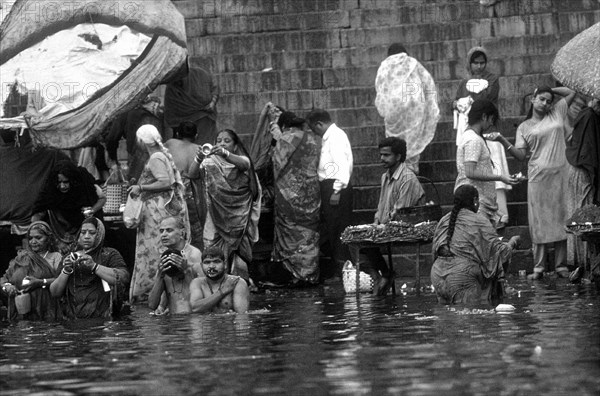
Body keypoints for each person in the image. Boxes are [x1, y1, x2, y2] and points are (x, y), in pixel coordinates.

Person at [491, 86, 576, 280]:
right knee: (538, 221)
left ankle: (560, 266)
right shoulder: (524, 127)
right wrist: (503, 141)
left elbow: (571, 92)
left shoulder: (557, 112)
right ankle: (538, 267)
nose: (545, 103)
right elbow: (521, 155)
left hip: (561, 175)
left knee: (561, 218)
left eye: (548, 100)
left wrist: (549, 88)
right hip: (538, 178)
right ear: (533, 99)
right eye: (541, 99)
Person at [188, 128, 261, 283]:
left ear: (235, 145)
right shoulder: (210, 162)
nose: (222, 143)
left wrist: (224, 153)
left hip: (238, 219)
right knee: (211, 246)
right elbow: (192, 175)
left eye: (227, 141)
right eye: (219, 141)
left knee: (238, 254)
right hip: (214, 216)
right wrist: (199, 158)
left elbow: (245, 165)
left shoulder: (241, 160)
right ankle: (215, 284)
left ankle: (239, 284)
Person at [128, 125, 190, 303]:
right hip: (160, 209)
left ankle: (149, 293)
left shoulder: (155, 157)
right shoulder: (162, 155)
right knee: (160, 247)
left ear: (141, 141)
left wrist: (141, 187)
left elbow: (165, 182)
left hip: (156, 212)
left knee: (153, 250)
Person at [430, 185, 520, 304]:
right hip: (462, 277)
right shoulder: (479, 220)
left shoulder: (443, 220)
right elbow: (500, 253)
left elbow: (434, 251)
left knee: (446, 318)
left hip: (437, 274)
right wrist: (513, 242)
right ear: (475, 201)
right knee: (472, 320)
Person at [454, 46, 512, 229]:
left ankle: (502, 214)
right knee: (480, 173)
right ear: (470, 64)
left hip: (490, 130)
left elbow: (485, 99)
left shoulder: (492, 79)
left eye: (482, 62)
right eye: (475, 63)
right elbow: (456, 101)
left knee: (496, 169)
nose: (479, 66)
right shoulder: (464, 82)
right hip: (473, 130)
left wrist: (472, 95)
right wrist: (457, 103)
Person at [361, 137, 426, 295]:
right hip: (386, 225)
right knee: (352, 239)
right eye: (381, 155)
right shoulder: (385, 176)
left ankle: (386, 276)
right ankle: (380, 276)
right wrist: (375, 223)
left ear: (398, 156)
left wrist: (380, 227)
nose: (382, 158)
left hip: (405, 226)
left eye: (386, 155)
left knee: (366, 239)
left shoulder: (407, 178)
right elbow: (381, 205)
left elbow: (400, 211)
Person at [269, 110, 321, 286]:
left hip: (289, 194)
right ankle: (310, 274)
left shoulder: (285, 139)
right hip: (311, 192)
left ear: (284, 126)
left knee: (293, 233)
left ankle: (298, 275)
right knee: (309, 234)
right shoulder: (313, 138)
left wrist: (278, 139)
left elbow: (278, 164)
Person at [374, 43, 440, 173]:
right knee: (413, 142)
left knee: (395, 145)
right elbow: (429, 85)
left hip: (394, 113)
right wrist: (430, 107)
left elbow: (380, 90)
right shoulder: (413, 63)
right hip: (414, 111)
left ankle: (399, 172)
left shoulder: (384, 66)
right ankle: (412, 169)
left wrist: (385, 110)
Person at [50, 217, 130, 319]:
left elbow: (123, 278)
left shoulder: (109, 254)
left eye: (92, 233)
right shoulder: (69, 258)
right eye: (83, 232)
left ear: (100, 235)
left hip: (103, 317)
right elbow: (54, 292)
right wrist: (66, 271)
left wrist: (94, 266)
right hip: (73, 319)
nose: (86, 236)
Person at [306, 108, 353, 283]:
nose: (314, 133)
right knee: (332, 230)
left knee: (338, 229)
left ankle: (342, 272)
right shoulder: (330, 138)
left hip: (335, 186)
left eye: (314, 129)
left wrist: (336, 190)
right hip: (329, 186)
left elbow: (341, 165)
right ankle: (340, 270)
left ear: (319, 124)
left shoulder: (336, 137)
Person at [455, 99, 519, 225]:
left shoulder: (472, 136)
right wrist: (500, 177)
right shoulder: (473, 140)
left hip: (479, 202)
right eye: (491, 120)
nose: (491, 124)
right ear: (484, 117)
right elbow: (470, 172)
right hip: (477, 203)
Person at [31, 160, 107, 253]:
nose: (62, 186)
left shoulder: (84, 182)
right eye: (59, 182)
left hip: (81, 232)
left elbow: (102, 198)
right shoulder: (50, 191)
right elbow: (38, 214)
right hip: (58, 236)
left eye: (66, 182)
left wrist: (92, 210)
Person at [1, 221, 62, 320]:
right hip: (21, 309)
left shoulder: (55, 257)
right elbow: (4, 279)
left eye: (38, 238)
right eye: (30, 238)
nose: (33, 241)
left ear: (48, 239)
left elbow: (61, 281)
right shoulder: (21, 258)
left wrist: (40, 282)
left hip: (46, 309)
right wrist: (8, 287)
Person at [566, 98, 600, 268]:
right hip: (583, 171)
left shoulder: (587, 115)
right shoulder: (589, 116)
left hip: (579, 170)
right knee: (584, 218)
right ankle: (582, 263)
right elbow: (589, 152)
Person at [148, 216, 202, 315]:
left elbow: (207, 294)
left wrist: (187, 270)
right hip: (173, 320)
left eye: (169, 230)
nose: (163, 235)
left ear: (182, 232)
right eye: (161, 231)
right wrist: (161, 307)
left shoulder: (194, 255)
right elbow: (152, 304)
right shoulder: (165, 257)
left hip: (195, 319)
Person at [105, 96, 163, 182]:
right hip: (156, 158)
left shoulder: (126, 113)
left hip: (137, 158)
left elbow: (111, 139)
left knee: (134, 187)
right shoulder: (157, 117)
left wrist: (113, 160)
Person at [165, 121, 203, 249]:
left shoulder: (170, 144)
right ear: (196, 135)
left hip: (174, 194)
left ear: (177, 133)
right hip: (192, 195)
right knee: (195, 233)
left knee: (173, 230)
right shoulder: (200, 149)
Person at [164, 60, 220, 144]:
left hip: (204, 121)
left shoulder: (200, 75)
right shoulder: (172, 87)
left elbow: (215, 89)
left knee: (205, 149)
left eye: (180, 76)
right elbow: (170, 113)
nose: (178, 79)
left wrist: (212, 102)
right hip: (183, 127)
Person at [189, 246, 249, 314]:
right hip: (206, 324)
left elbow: (242, 317)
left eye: (216, 262)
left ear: (225, 264)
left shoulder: (237, 283)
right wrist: (222, 292)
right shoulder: (197, 283)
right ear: (201, 265)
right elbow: (195, 308)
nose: (211, 266)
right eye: (207, 262)